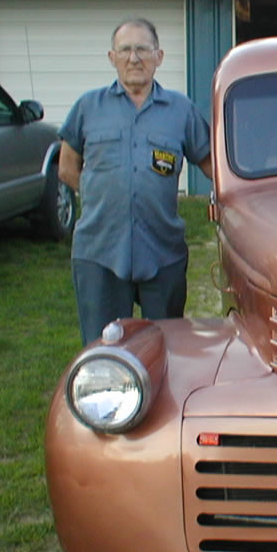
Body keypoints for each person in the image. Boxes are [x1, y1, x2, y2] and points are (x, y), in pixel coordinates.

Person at [59, 17, 212, 346]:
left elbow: (212, 164)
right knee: (104, 348)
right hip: (99, 251)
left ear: (159, 56)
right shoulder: (88, 107)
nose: (134, 58)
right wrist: (100, 197)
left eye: (142, 49)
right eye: (125, 50)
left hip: (163, 251)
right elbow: (67, 167)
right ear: (112, 57)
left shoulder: (181, 110)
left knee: (168, 346)